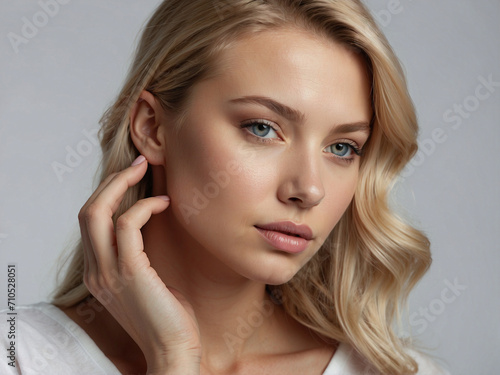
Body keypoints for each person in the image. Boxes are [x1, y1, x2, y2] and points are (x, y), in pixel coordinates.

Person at [0, 0, 450, 374]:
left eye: (342, 148)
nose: (309, 188)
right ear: (152, 127)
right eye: (261, 127)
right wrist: (173, 358)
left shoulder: (391, 370)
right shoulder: (18, 357)